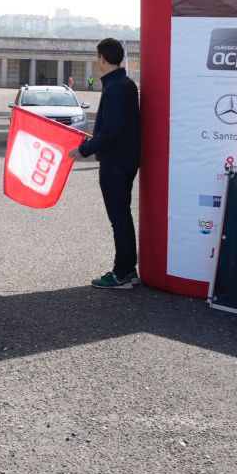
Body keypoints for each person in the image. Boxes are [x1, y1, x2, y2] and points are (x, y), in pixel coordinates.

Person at [75, 37, 141, 289]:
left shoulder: (116, 87)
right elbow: (117, 128)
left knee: (119, 218)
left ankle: (121, 273)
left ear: (102, 58)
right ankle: (129, 270)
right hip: (125, 159)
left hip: (115, 162)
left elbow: (112, 130)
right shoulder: (125, 84)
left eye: (97, 58)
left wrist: (84, 149)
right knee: (123, 216)